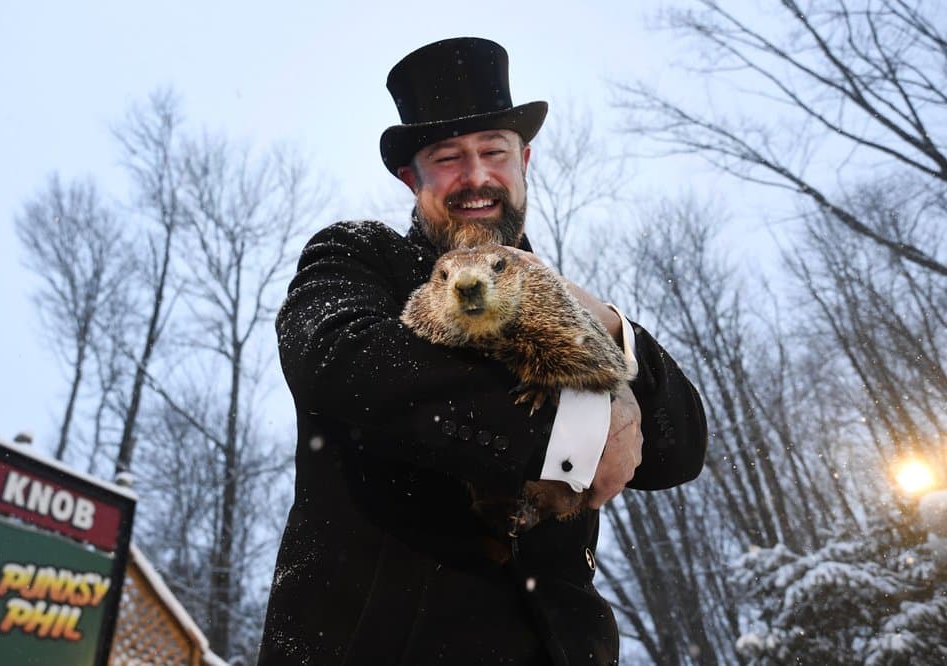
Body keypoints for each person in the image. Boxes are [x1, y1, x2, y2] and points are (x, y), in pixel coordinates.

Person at [258, 37, 707, 666]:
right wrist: (574, 434)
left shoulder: (566, 299)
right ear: (410, 177)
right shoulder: (362, 256)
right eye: (447, 158)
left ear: (524, 161)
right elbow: (334, 358)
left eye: (493, 152)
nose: (475, 176)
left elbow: (678, 451)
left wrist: (607, 324)